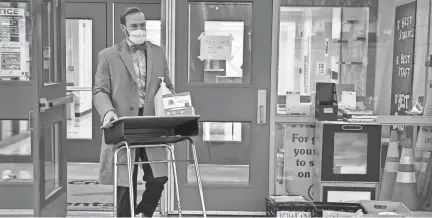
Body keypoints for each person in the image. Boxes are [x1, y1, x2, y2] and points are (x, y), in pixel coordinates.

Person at [93, 6, 175, 217]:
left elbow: (168, 86)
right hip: (123, 124)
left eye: (143, 25)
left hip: (151, 125)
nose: (140, 30)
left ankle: (144, 212)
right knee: (125, 182)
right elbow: (100, 91)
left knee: (158, 177)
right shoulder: (108, 55)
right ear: (124, 28)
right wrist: (107, 112)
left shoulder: (158, 52)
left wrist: (173, 104)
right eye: (134, 26)